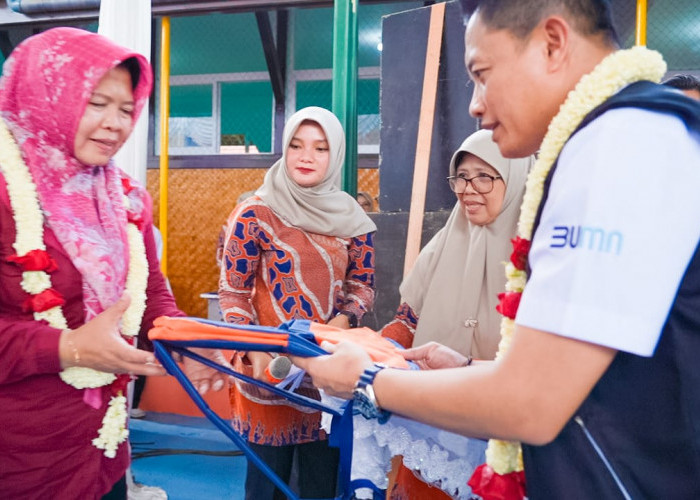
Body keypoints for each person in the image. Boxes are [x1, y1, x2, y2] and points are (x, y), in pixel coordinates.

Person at [292, 1, 700, 498]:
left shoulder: (618, 147)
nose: (475, 104)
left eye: (482, 74)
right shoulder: (639, 135)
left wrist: (367, 381)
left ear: (552, 43)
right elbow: (601, 371)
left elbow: (531, 401)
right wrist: (467, 368)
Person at [0, 28, 226, 499]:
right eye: (95, 103)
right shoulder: (7, 193)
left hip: (102, 453)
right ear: (48, 94)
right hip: (19, 463)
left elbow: (150, 297)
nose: (114, 124)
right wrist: (68, 348)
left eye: (126, 109)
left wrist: (184, 341)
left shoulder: (121, 198)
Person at [218, 106, 377, 500]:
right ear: (284, 149)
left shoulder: (353, 219)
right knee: (265, 489)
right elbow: (233, 291)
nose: (307, 156)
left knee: (321, 487)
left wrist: (342, 321)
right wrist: (251, 351)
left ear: (335, 154)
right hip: (267, 377)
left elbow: (363, 285)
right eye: (296, 145)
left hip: (326, 376)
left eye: (320, 148)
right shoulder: (254, 214)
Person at [380, 129, 531, 498]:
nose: (468, 188)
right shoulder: (444, 242)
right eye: (461, 176)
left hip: (505, 429)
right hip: (435, 421)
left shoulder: (538, 254)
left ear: (514, 179)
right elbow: (407, 320)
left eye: (484, 176)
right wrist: (374, 351)